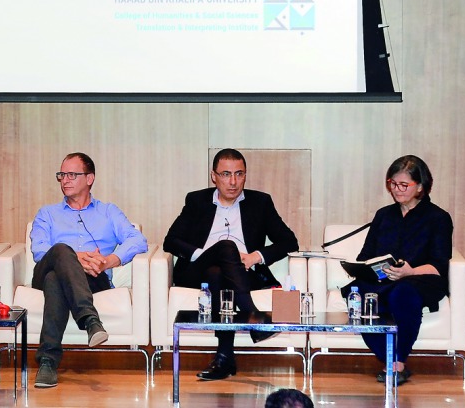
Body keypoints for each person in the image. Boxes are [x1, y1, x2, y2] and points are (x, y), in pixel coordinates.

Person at [163, 147, 299, 381]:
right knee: (225, 247)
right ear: (214, 176)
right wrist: (205, 253)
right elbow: (170, 241)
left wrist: (255, 256)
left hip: (241, 273)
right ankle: (253, 314)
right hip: (197, 271)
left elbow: (290, 241)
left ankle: (225, 357)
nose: (233, 181)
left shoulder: (260, 202)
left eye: (239, 174)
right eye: (226, 174)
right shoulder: (196, 201)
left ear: (245, 175)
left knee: (218, 273)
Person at [30, 152, 148, 388]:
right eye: (62, 175)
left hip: (94, 277)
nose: (65, 180)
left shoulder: (108, 212)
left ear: (90, 178)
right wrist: (74, 257)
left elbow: (138, 240)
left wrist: (108, 261)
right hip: (45, 271)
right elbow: (40, 251)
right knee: (61, 251)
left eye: (72, 174)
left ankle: (47, 362)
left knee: (57, 280)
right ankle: (90, 320)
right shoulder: (48, 214)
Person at [348, 155, 452, 386]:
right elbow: (365, 256)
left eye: (404, 185)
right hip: (384, 279)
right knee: (357, 294)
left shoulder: (438, 218)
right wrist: (371, 268)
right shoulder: (384, 215)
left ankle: (397, 363)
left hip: (420, 279)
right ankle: (389, 359)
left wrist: (410, 271)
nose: (397, 190)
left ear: (421, 186)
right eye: (393, 184)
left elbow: (439, 265)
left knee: (401, 293)